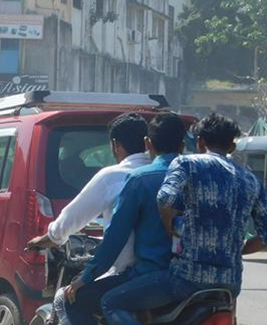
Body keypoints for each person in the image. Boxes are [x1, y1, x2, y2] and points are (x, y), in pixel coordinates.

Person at [99, 114, 267, 325]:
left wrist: (171, 229)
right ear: (232, 147)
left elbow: (165, 198)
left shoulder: (186, 163)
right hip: (229, 287)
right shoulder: (251, 180)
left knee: (111, 302)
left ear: (201, 142)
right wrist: (235, 249)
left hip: (185, 280)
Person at [62, 113, 189, 325]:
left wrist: (86, 277)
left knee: (78, 300)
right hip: (200, 278)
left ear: (148, 143)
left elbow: (115, 237)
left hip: (152, 275)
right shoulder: (200, 177)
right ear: (183, 146)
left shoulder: (140, 179)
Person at [25, 113, 152, 325]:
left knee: (67, 299)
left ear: (115, 145)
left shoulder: (115, 176)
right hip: (169, 276)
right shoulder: (167, 174)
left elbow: (72, 220)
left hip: (130, 274)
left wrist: (49, 238)